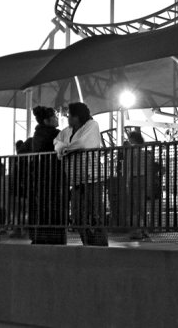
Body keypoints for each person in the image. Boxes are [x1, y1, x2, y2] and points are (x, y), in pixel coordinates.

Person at [55, 102, 106, 246]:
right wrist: (67, 148)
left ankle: (100, 246)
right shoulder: (67, 131)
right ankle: (88, 243)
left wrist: (64, 149)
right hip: (75, 178)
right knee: (77, 216)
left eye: (70, 115)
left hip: (92, 177)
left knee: (95, 214)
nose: (67, 117)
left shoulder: (92, 125)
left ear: (77, 116)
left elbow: (84, 144)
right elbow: (57, 142)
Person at [28, 106, 66, 245]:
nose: (57, 119)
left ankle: (41, 235)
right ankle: (55, 237)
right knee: (55, 206)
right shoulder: (55, 134)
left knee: (42, 207)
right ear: (47, 120)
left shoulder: (37, 135)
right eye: (55, 117)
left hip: (40, 176)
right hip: (53, 175)